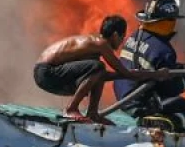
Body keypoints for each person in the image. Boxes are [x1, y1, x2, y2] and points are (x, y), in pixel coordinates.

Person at [34, 15, 164, 124]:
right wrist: (156, 74)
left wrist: (143, 75)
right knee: (98, 66)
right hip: (46, 72)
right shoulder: (100, 44)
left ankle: (92, 113)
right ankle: (71, 109)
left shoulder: (94, 46)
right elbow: (125, 72)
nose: (121, 42)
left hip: (48, 75)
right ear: (114, 35)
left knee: (98, 69)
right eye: (122, 37)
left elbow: (103, 76)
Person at [112, 0, 185, 133]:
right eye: (172, 19)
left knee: (178, 103)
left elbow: (156, 66)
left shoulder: (135, 36)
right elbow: (168, 88)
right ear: (166, 22)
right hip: (142, 101)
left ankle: (154, 118)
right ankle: (164, 123)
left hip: (123, 97)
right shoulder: (164, 50)